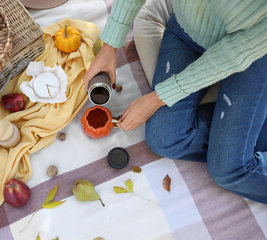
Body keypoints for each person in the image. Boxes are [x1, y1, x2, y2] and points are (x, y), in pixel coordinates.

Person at [83, 0, 267, 204]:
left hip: (251, 57)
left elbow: (232, 56)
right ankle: (248, 129)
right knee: (163, 138)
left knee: (228, 170)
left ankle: (244, 135)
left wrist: (156, 99)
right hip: (186, 30)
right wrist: (110, 44)